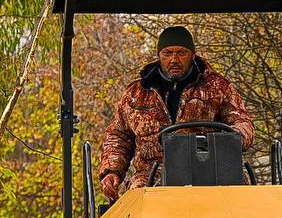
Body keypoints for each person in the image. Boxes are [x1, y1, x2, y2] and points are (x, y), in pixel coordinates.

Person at [98, 26, 254, 201]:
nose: (174, 59)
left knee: (241, 190)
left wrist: (234, 138)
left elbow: (242, 121)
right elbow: (119, 135)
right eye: (167, 53)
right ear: (159, 56)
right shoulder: (136, 93)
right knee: (137, 195)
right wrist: (111, 171)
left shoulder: (217, 87)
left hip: (209, 168)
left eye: (181, 53)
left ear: (192, 54)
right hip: (152, 172)